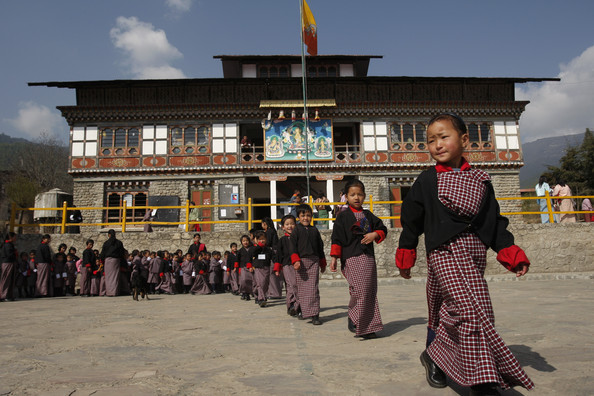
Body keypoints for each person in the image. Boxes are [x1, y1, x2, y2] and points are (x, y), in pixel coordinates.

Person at [395, 113, 534, 395]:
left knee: (472, 311)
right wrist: (406, 250)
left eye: (444, 137)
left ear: (464, 139)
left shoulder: (481, 180)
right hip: (444, 253)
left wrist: (510, 251)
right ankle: (482, 381)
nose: (437, 144)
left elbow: (493, 220)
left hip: (473, 256)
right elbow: (411, 218)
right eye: (430, 140)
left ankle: (433, 354)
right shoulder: (427, 181)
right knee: (468, 312)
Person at [330, 179, 387, 339]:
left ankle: (362, 322)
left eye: (360, 194)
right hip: (350, 257)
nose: (356, 198)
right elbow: (337, 237)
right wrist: (334, 257)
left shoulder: (367, 215)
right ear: (346, 197)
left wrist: (374, 234)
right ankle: (362, 322)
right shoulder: (343, 216)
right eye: (352, 194)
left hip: (368, 257)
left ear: (364, 196)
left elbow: (382, 228)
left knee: (368, 291)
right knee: (361, 290)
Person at [291, 204, 326, 325]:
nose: (306, 218)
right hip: (301, 263)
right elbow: (292, 247)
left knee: (313, 289)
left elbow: (320, 247)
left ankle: (315, 315)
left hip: (314, 261)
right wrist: (295, 260)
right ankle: (301, 309)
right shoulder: (296, 230)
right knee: (302, 288)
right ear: (298, 217)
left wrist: (322, 262)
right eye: (303, 215)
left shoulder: (314, 230)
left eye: (308, 215)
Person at [275, 214, 299, 316]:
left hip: (298, 264)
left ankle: (295, 305)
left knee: (296, 285)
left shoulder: (299, 238)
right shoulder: (282, 240)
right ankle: (292, 305)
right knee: (292, 284)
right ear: (283, 227)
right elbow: (279, 255)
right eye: (287, 224)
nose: (290, 226)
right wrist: (277, 268)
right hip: (287, 265)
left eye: (292, 224)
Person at [248, 231, 275, 307]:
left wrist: (277, 264)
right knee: (260, 283)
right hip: (258, 268)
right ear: (256, 240)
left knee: (265, 284)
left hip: (266, 267)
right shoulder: (254, 248)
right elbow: (251, 255)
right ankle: (261, 299)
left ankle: (257, 293)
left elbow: (273, 257)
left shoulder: (268, 249)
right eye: (260, 239)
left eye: (263, 239)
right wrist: (250, 266)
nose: (262, 241)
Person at [100, 229, 125, 296]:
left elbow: (103, 253)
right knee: (115, 277)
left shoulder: (106, 243)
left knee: (108, 277)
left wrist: (102, 261)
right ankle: (114, 292)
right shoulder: (119, 243)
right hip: (116, 261)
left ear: (109, 235)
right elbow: (121, 253)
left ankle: (108, 292)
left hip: (107, 261)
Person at [262, 217, 282, 299]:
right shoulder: (273, 231)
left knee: (272, 273)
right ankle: (276, 292)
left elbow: (268, 242)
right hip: (276, 253)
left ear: (265, 224)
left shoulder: (269, 232)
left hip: (272, 254)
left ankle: (274, 293)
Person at [0, 232, 18, 301]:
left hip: (11, 263)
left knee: (11, 280)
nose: (15, 238)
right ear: (11, 237)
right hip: (7, 263)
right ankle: (4, 295)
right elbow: (9, 254)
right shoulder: (7, 245)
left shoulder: (10, 245)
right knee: (6, 280)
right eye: (14, 237)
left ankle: (9, 295)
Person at [237, 235, 254, 301]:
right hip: (243, 267)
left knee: (250, 281)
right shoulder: (240, 251)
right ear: (241, 242)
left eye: (246, 241)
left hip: (252, 267)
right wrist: (237, 268)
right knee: (243, 281)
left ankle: (249, 293)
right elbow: (237, 260)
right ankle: (244, 292)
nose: (245, 242)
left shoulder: (252, 249)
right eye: (243, 241)